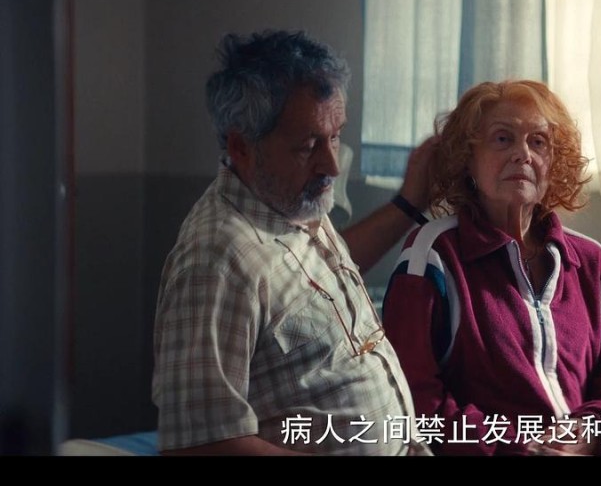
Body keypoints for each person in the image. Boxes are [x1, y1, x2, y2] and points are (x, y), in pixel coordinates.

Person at [151, 30, 438, 456]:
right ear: (241, 146)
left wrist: (409, 204)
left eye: (335, 136)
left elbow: (303, 289)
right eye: (308, 146)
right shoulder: (216, 260)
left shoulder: (292, 202)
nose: (332, 165)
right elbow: (202, 443)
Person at [381, 80, 601, 456]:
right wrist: (519, 448)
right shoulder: (433, 254)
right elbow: (415, 398)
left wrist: (586, 435)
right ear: (468, 158)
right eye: (503, 139)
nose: (523, 154)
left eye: (538, 142)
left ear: (555, 161)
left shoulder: (592, 263)